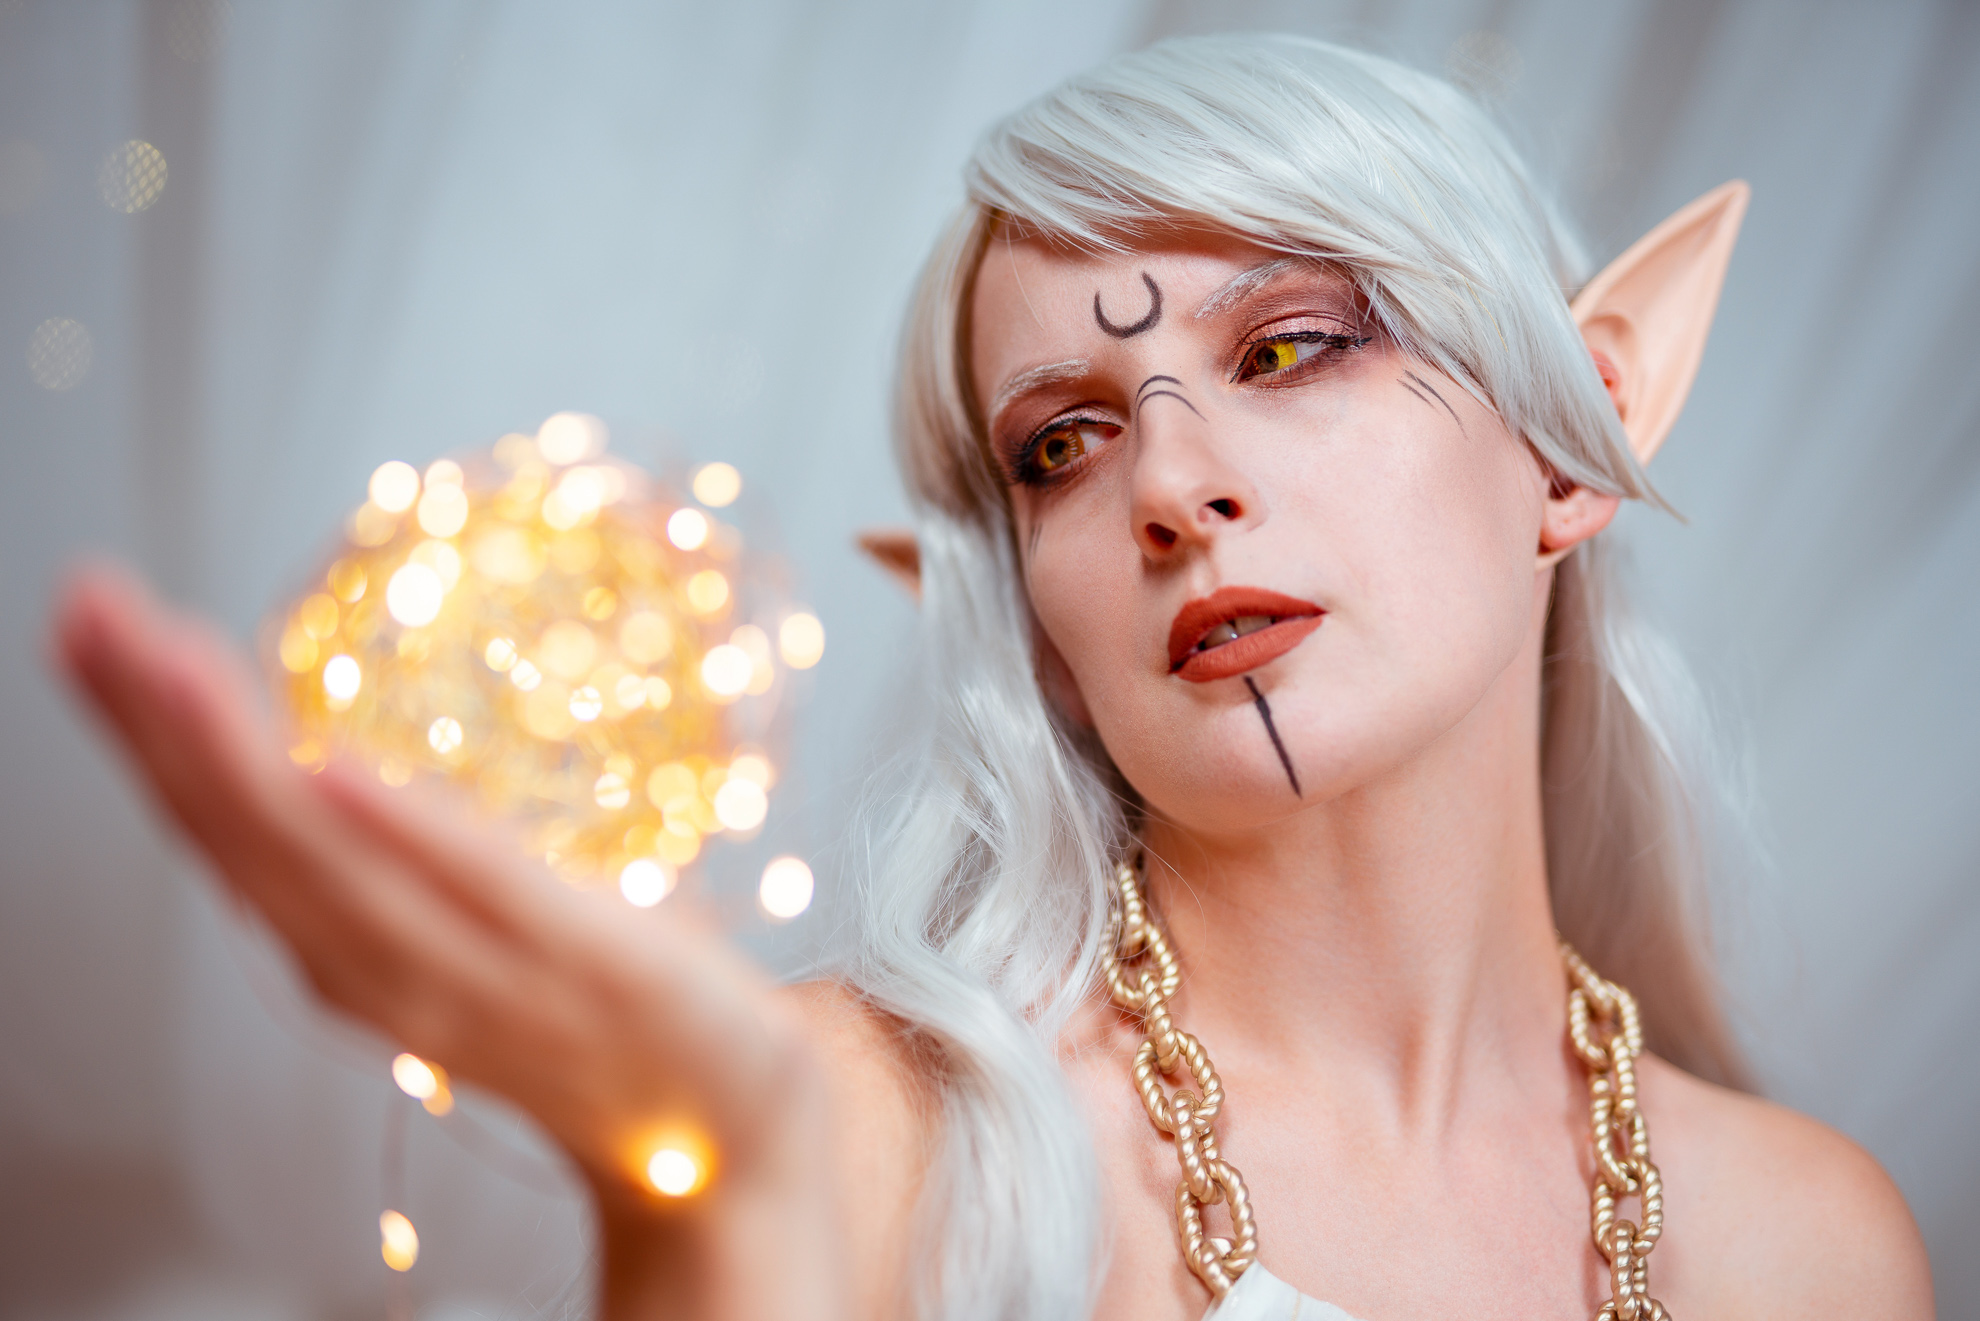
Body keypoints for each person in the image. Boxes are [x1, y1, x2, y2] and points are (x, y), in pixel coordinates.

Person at [54, 33, 1932, 1321]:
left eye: (1289, 348)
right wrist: (715, 1201)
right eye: (1062, 445)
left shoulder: (1811, 1246)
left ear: (1580, 431)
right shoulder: (850, 1126)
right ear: (1037, 627)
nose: (1172, 486)